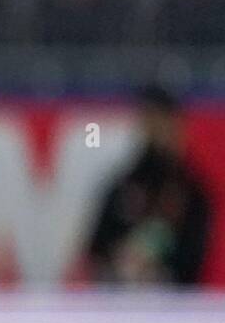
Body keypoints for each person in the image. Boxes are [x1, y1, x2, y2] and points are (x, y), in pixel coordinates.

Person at [86, 85, 212, 285]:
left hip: (171, 301)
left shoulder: (192, 192)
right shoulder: (122, 185)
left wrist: (157, 269)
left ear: (176, 124)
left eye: (161, 121)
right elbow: (95, 247)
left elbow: (196, 262)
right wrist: (122, 260)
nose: (155, 129)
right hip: (121, 297)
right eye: (149, 120)